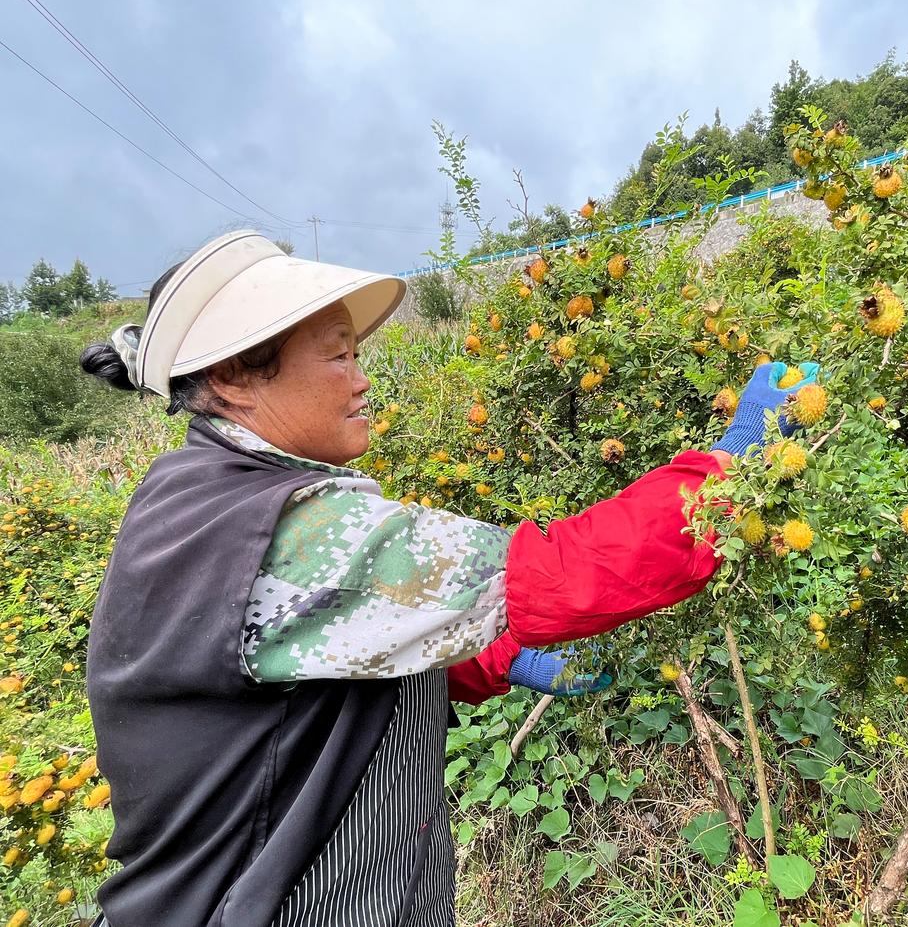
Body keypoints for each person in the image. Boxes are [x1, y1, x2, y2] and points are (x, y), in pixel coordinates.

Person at [79, 230, 818, 927]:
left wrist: (499, 657)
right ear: (234, 377)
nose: (364, 382)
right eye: (340, 358)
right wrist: (730, 470)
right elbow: (558, 574)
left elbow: (329, 658)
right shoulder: (282, 532)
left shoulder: (205, 495)